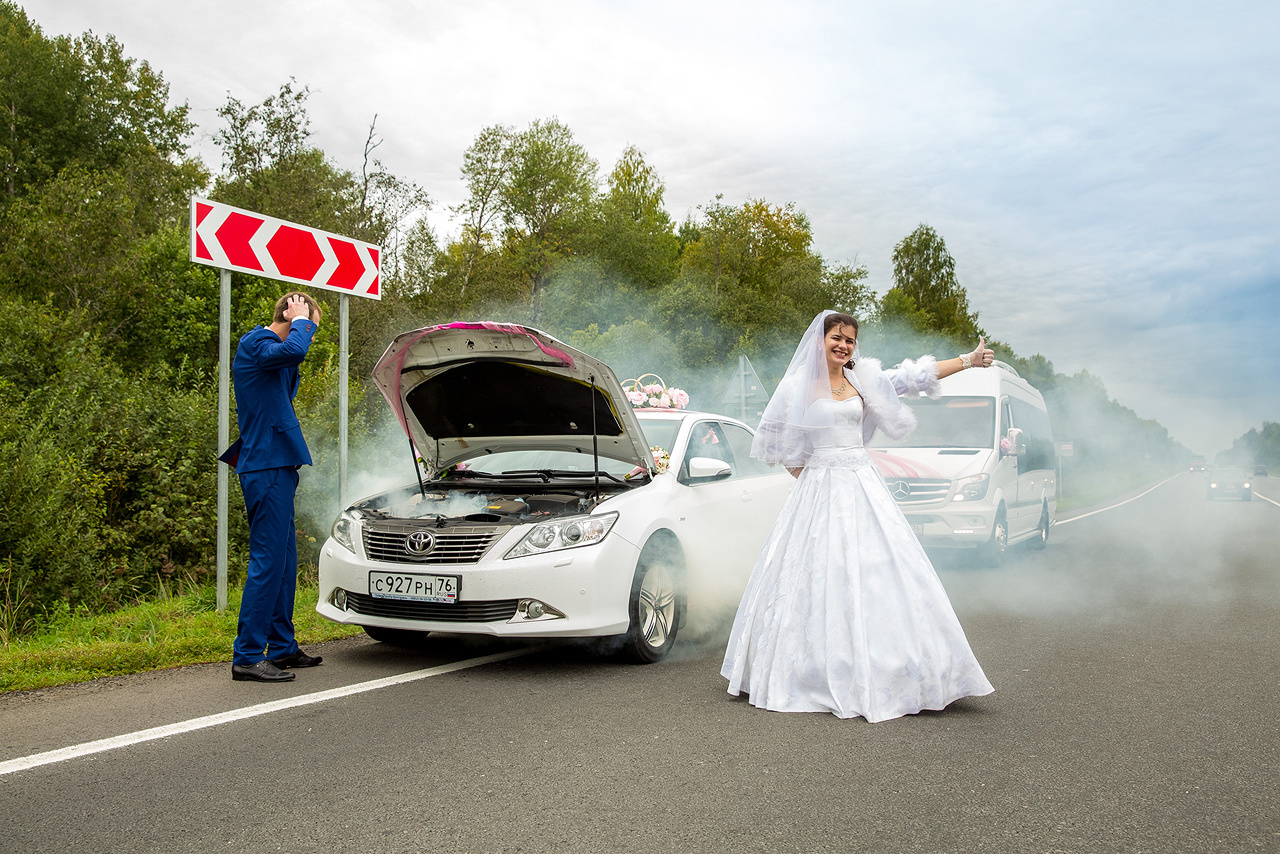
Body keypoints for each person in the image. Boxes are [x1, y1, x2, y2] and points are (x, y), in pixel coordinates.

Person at [720, 310, 996, 721]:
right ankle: (810, 669)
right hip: (819, 487)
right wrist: (810, 473)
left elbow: (914, 377)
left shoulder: (862, 380)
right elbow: (774, 440)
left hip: (863, 482)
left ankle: (895, 668)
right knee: (816, 574)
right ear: (820, 340)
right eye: (836, 337)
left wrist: (967, 361)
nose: (843, 345)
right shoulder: (796, 386)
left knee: (884, 570)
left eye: (850, 340)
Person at [220, 292, 325, 683]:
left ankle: (280, 647)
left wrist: (299, 325)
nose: (311, 338)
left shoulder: (273, 352)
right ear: (289, 315)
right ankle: (247, 655)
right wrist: (301, 320)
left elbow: (290, 361)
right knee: (267, 562)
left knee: (283, 563)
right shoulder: (256, 344)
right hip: (263, 467)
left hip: (277, 465)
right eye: (310, 329)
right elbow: (294, 352)